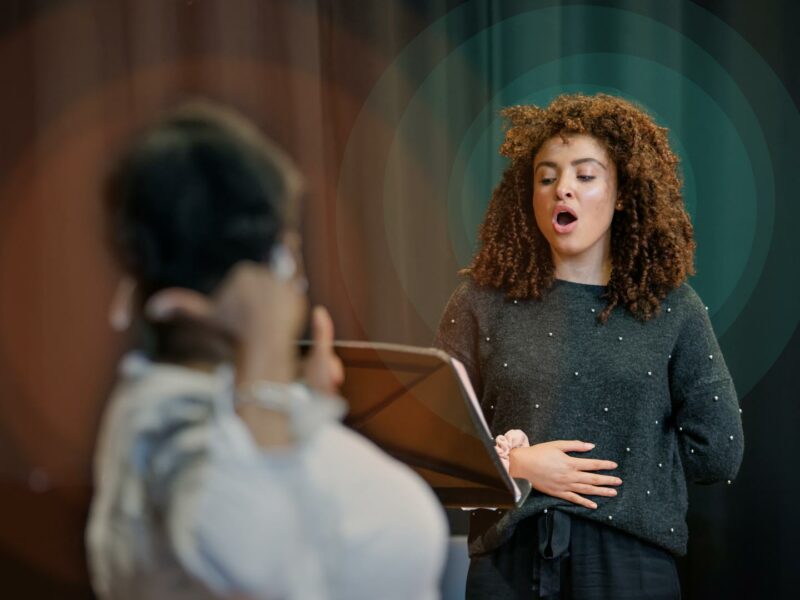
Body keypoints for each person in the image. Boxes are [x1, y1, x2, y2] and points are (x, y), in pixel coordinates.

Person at [86, 102, 447, 600]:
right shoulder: (174, 423)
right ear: (272, 265)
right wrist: (267, 353)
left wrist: (305, 400)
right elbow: (261, 565)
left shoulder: (187, 400)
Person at [434, 93, 744, 599]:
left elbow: (719, 452)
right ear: (529, 192)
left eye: (585, 175)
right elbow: (435, 437)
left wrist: (621, 473)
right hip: (506, 564)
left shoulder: (672, 308)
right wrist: (517, 466)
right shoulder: (478, 302)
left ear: (621, 192)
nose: (563, 190)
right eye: (547, 176)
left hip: (630, 565)